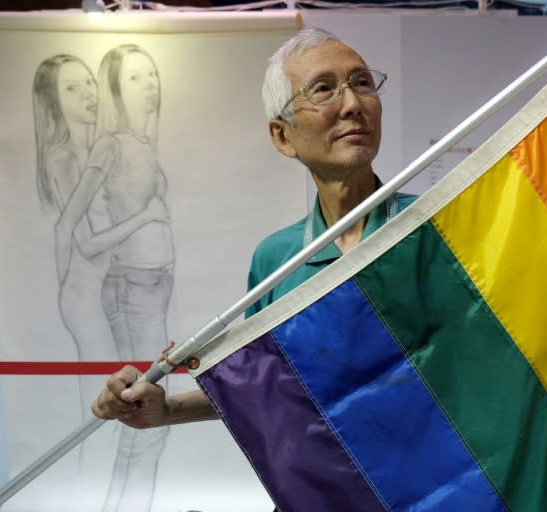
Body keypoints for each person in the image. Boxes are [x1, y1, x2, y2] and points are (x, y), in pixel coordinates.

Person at [91, 28, 415, 509]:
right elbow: (272, 387)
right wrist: (164, 409)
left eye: (362, 82)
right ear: (283, 135)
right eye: (324, 88)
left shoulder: (432, 231)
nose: (352, 104)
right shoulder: (277, 259)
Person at [61, 44, 174, 512]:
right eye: (135, 77)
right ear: (114, 88)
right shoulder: (110, 145)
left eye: (151, 75)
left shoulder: (142, 146)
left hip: (152, 288)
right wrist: (143, 217)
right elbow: (76, 232)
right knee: (142, 423)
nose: (149, 84)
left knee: (149, 423)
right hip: (132, 289)